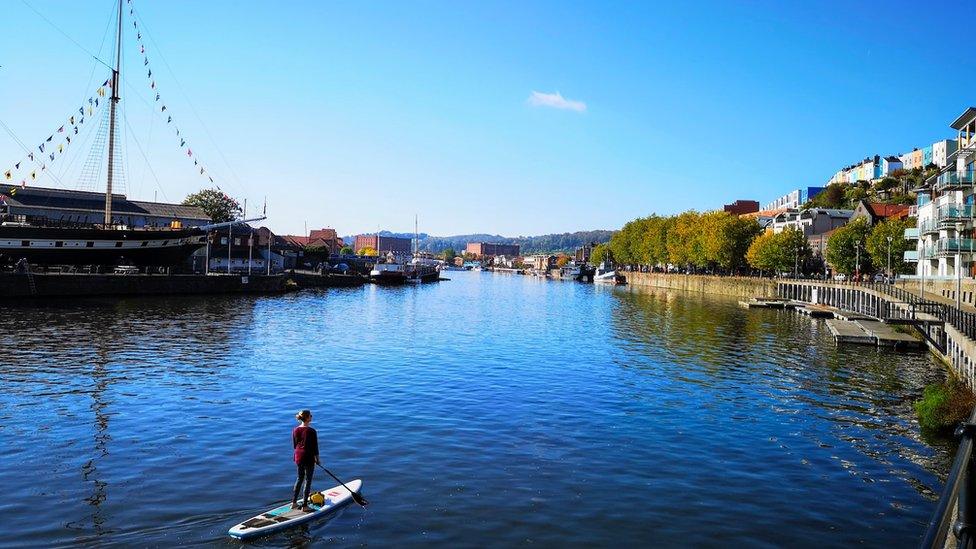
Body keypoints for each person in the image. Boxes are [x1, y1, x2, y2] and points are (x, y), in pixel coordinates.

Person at [292, 409, 320, 510]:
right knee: (308, 480)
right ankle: (304, 506)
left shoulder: (295, 430)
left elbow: (295, 445)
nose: (312, 417)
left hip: (298, 456)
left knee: (299, 479)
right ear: (307, 418)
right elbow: (315, 447)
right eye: (310, 415)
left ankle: (294, 503)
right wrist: (317, 459)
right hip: (308, 457)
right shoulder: (312, 431)